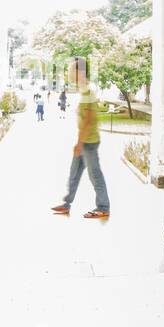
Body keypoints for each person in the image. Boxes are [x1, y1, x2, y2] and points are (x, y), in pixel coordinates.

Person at [49, 76, 110, 221]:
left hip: (89, 142)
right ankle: (66, 204)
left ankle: (103, 207)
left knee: (95, 175)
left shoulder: (89, 92)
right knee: (74, 173)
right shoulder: (84, 92)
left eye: (73, 71)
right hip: (84, 141)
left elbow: (89, 120)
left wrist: (79, 143)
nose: (70, 75)